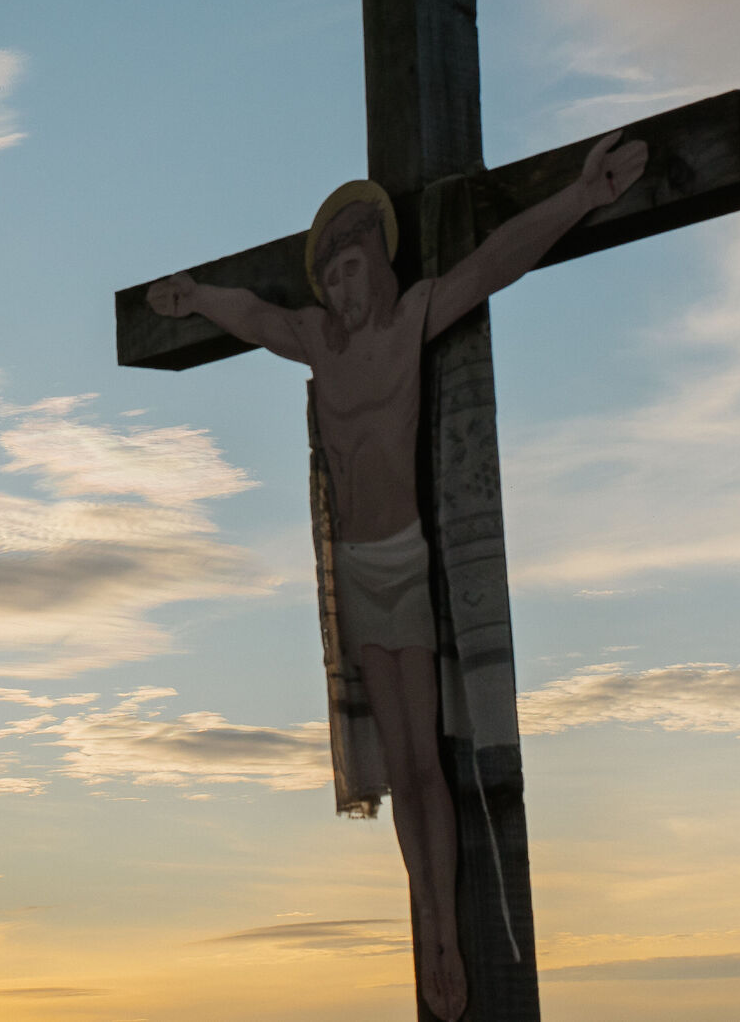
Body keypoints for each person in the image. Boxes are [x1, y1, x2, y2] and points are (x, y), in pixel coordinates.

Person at [146, 130, 646, 1021]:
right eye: (329, 273)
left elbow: (495, 261)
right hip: (355, 573)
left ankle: (446, 938)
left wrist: (582, 197)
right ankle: (425, 921)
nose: (341, 285)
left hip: (405, 562)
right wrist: (190, 298)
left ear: (382, 260)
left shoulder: (414, 316)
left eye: (353, 265)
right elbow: (249, 316)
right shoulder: (312, 338)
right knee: (404, 761)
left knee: (422, 767)